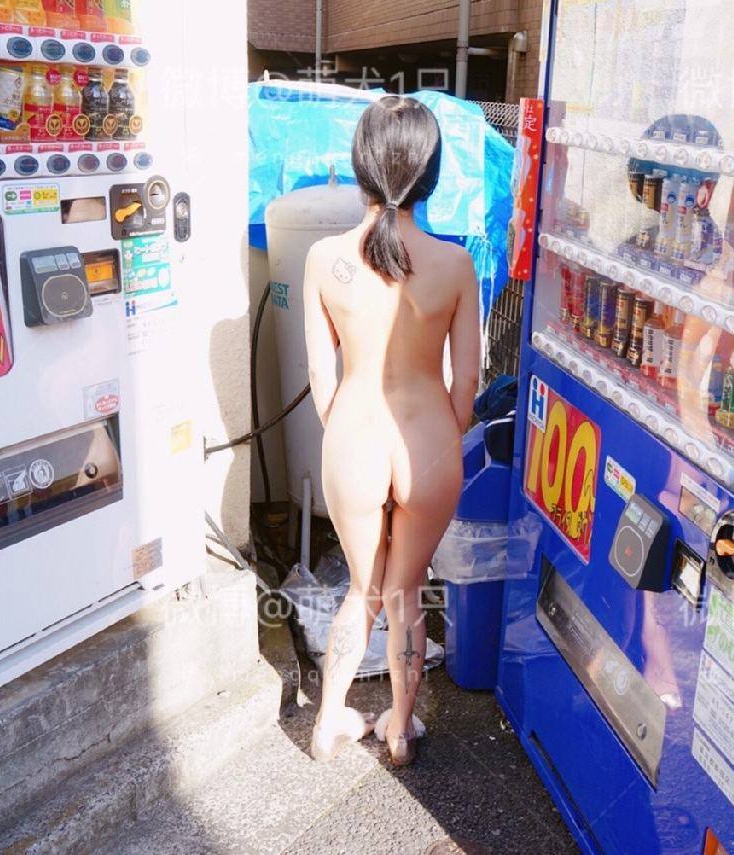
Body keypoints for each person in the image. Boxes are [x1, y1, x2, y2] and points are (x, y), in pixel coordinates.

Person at [303, 96, 481, 767]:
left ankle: (328, 724)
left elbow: (320, 375)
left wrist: (344, 431)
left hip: (353, 435)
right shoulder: (455, 265)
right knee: (406, 594)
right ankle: (401, 731)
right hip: (427, 440)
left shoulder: (323, 258)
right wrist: (443, 434)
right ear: (429, 175)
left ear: (361, 167)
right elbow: (467, 380)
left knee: (362, 591)